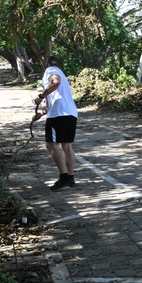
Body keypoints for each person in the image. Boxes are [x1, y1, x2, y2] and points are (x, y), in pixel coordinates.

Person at [32, 55, 79, 190]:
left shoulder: (51, 71)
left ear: (46, 64)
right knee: (67, 146)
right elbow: (54, 99)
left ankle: (63, 176)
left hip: (58, 115)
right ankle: (70, 178)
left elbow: (55, 82)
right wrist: (41, 114)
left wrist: (41, 96)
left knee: (51, 144)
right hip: (70, 113)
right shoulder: (64, 77)